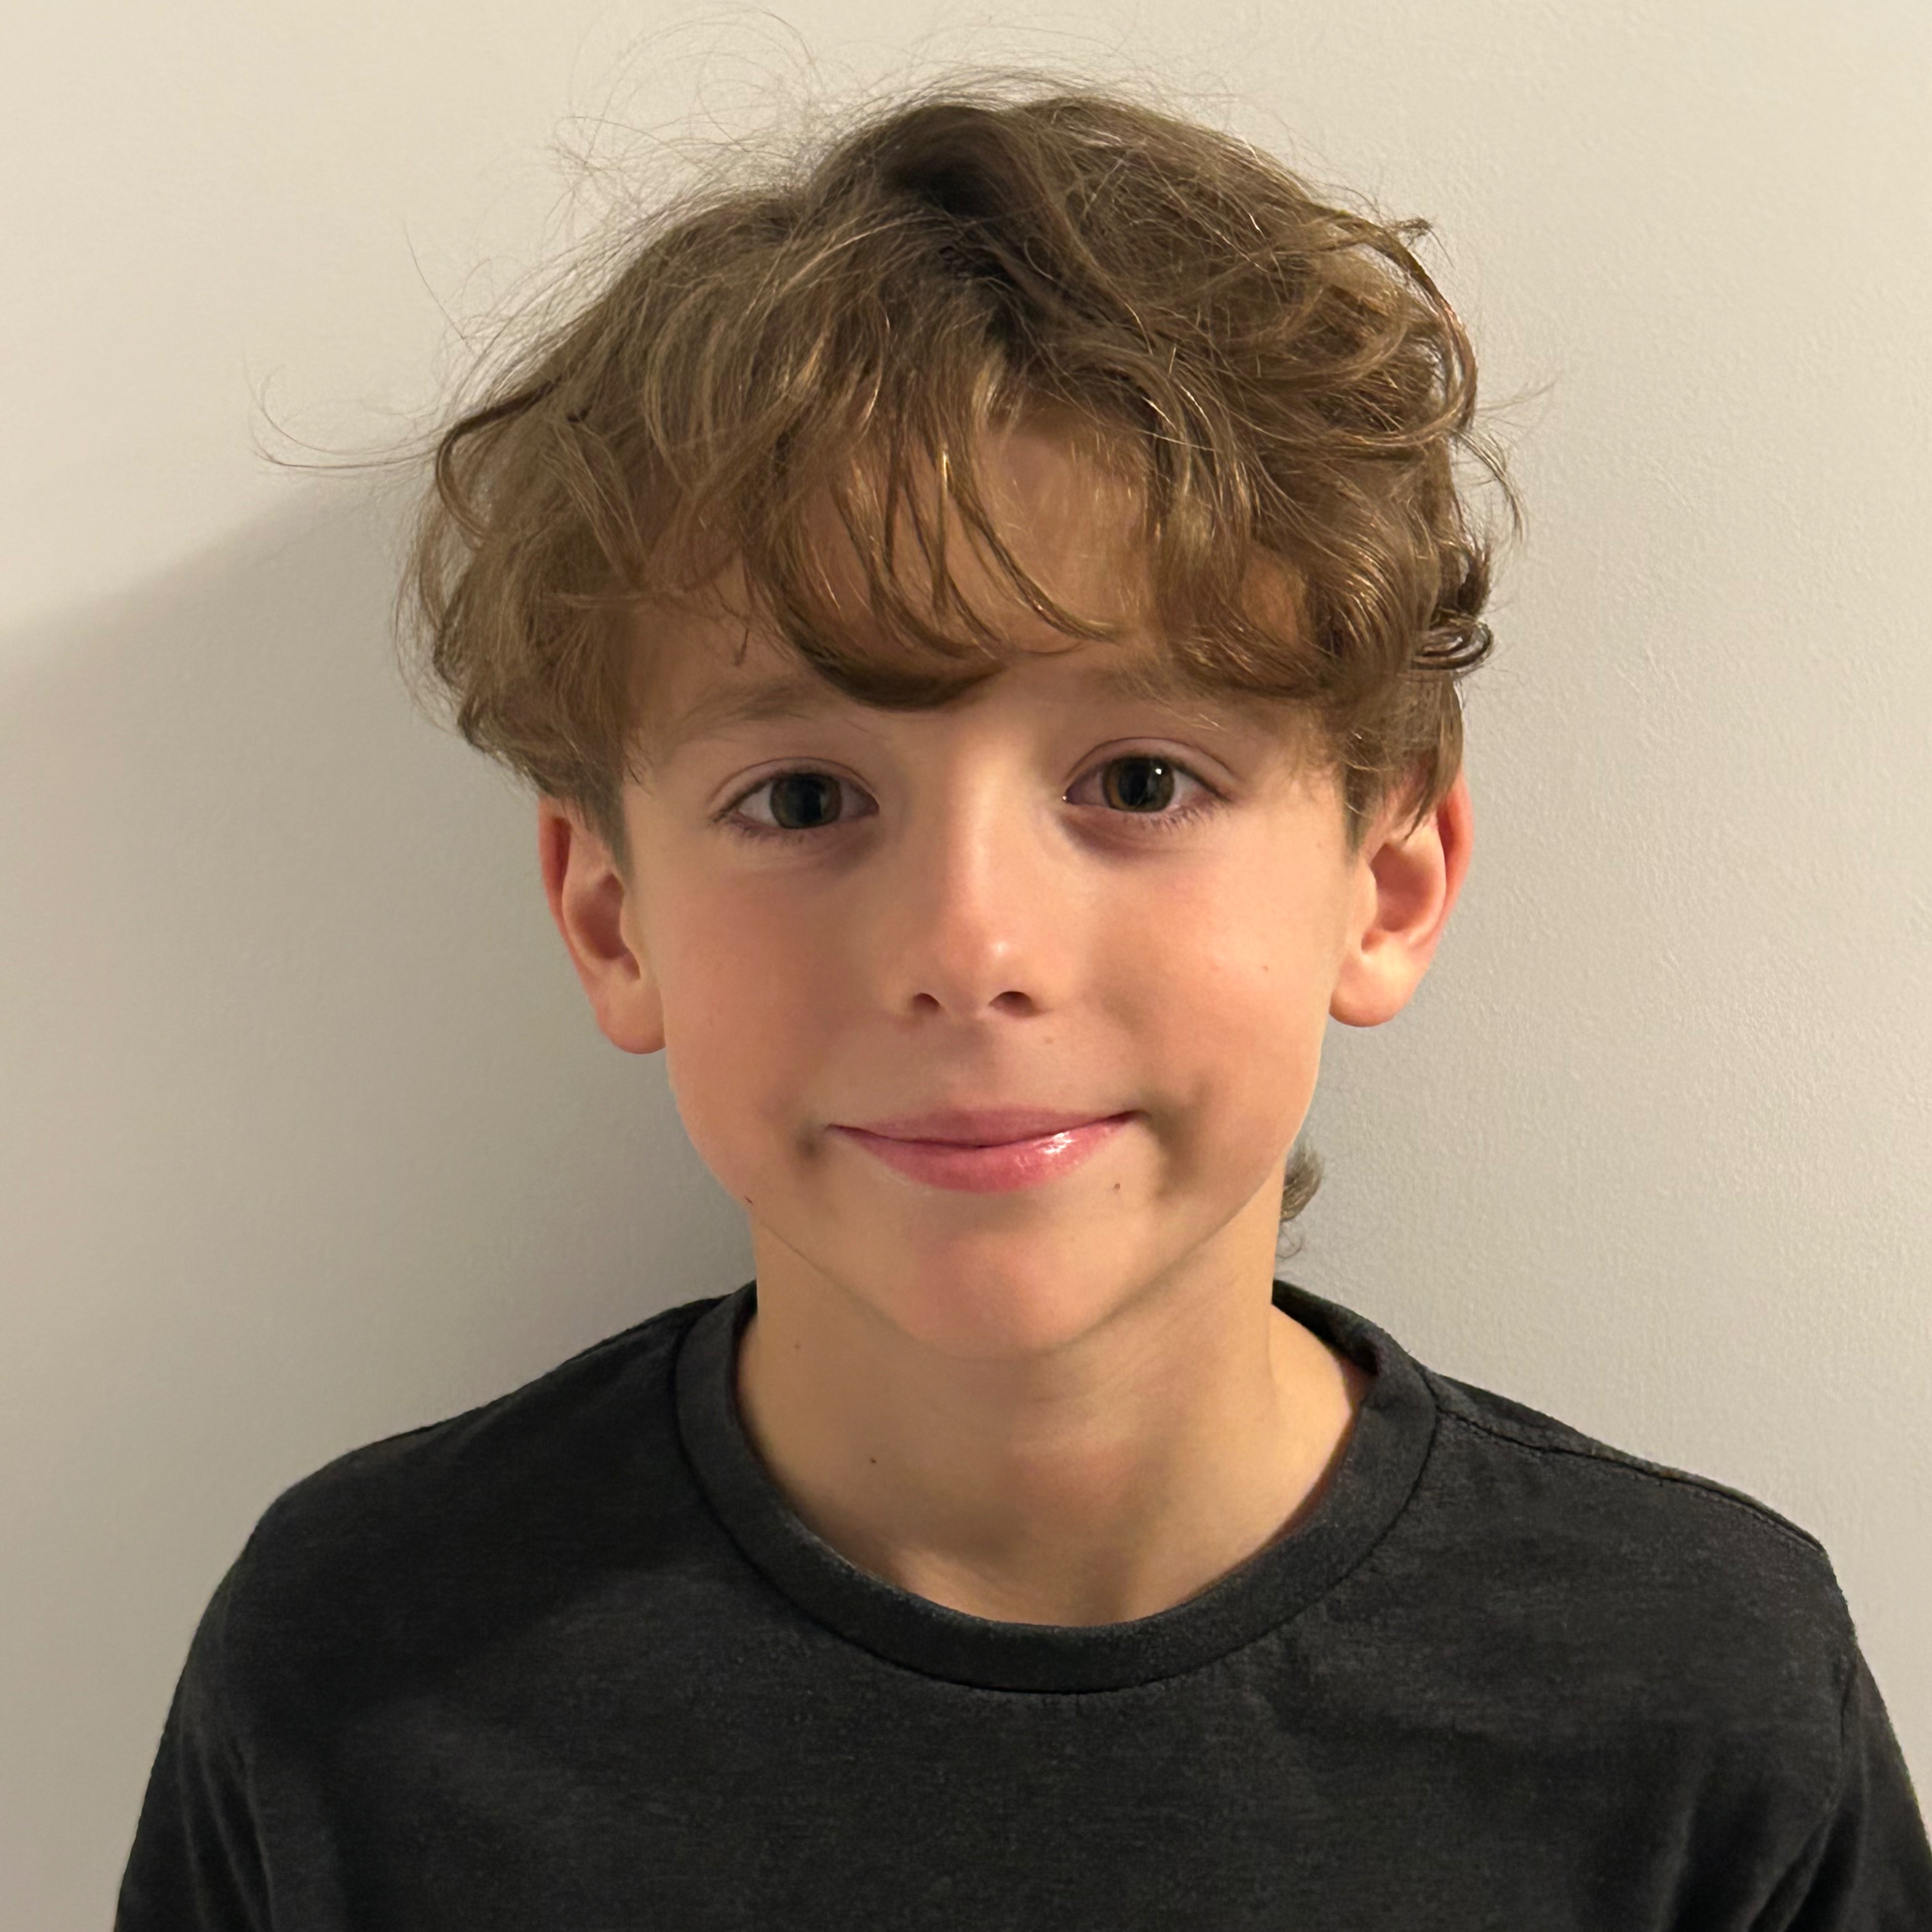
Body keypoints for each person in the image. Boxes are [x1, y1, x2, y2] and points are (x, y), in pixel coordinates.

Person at [117, 77, 1931, 1929]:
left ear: (1387, 882)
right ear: (611, 916)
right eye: (803, 799)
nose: (971, 944)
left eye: (1140, 781)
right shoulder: (356, 1674)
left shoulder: (1699, 1708)